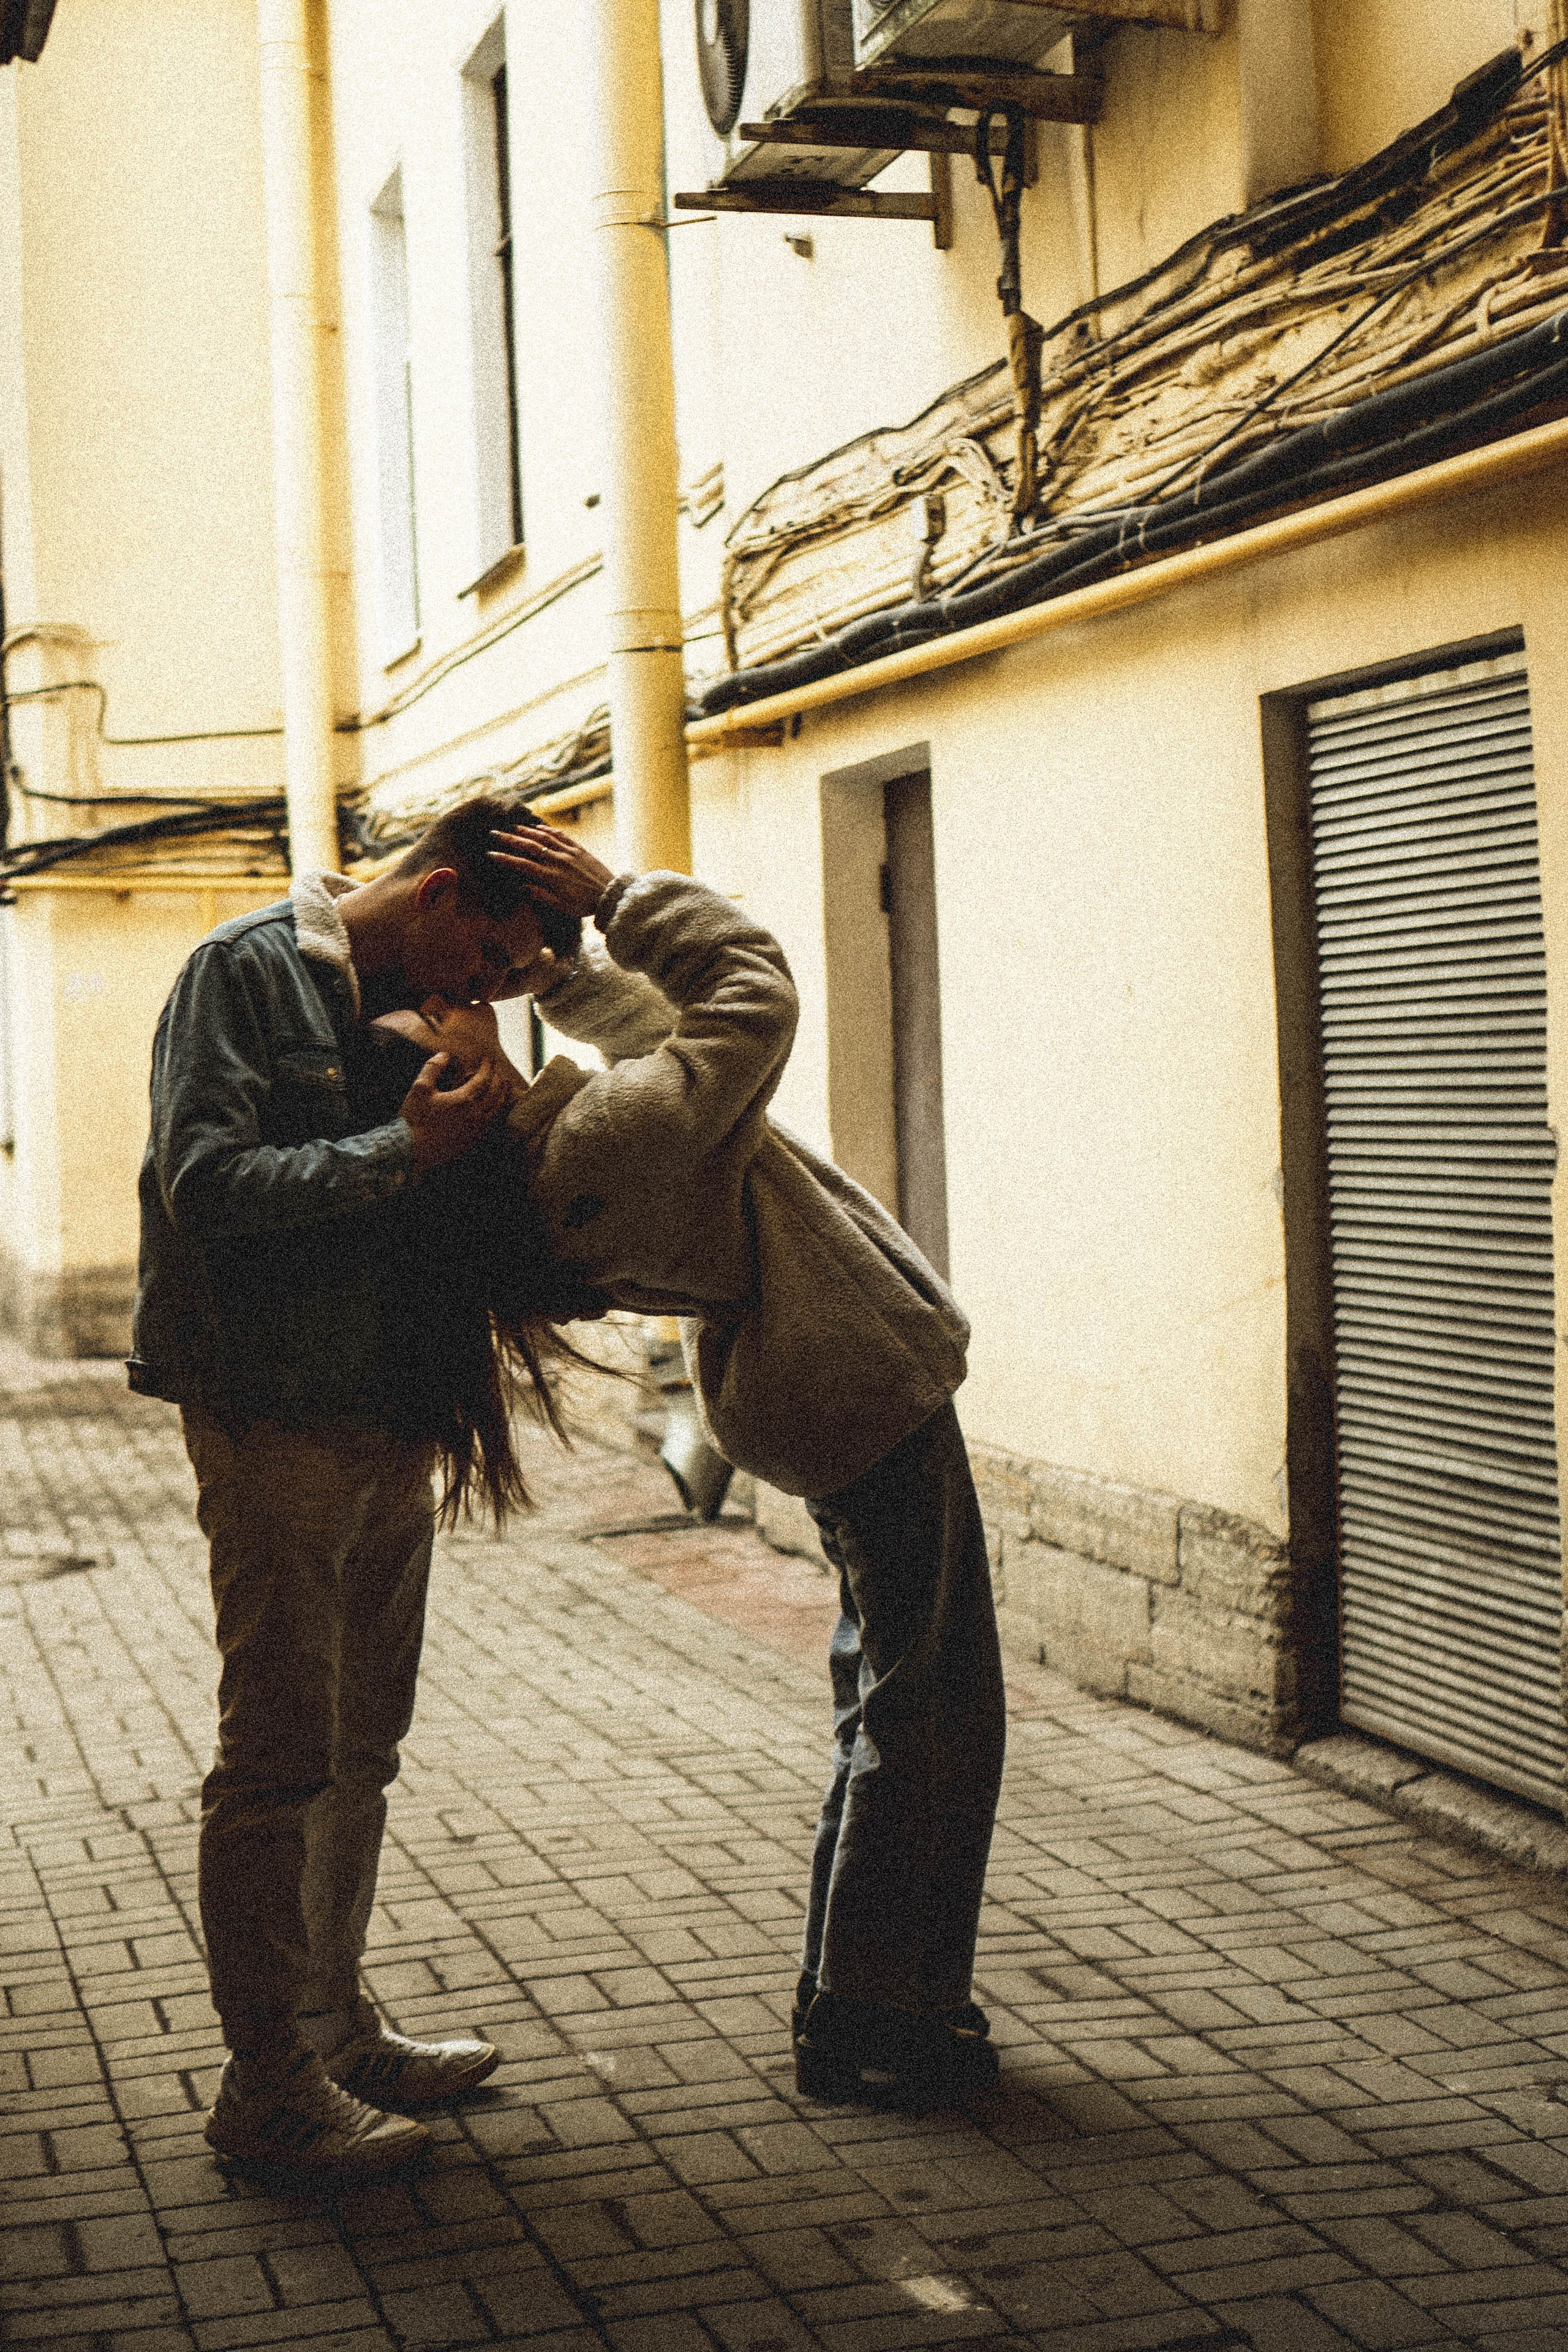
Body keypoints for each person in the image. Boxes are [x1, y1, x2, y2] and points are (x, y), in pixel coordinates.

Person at [381, 819, 1007, 2112]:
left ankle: (859, 1996)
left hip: (814, 1385)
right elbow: (746, 999)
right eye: (437, 1019)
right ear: (442, 1095)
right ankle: (883, 2014)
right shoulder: (592, 1150)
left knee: (892, 1694)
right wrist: (617, 899)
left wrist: (555, 976)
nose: (461, 1004)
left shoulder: (551, 1160)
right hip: (850, 1383)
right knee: (928, 1710)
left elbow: (643, 1050)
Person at [130, 795, 586, 2179]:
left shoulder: (412, 1010)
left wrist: (481, 1105)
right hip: (273, 1410)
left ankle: (332, 2026)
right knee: (275, 1754)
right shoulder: (245, 971)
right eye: (491, 963)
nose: (484, 996)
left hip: (390, 1410)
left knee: (360, 1747)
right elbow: (202, 1186)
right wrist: (407, 1150)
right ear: (441, 893)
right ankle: (264, 2085)